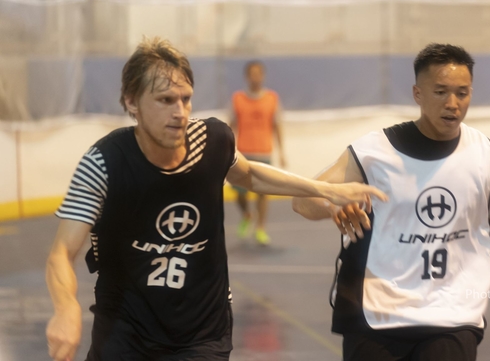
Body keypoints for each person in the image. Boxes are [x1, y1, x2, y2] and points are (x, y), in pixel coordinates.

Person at [45, 37, 386, 361]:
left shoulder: (211, 141)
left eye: (186, 99)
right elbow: (61, 252)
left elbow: (250, 174)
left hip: (202, 332)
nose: (180, 112)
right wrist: (65, 307)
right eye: (165, 100)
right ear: (131, 102)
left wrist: (325, 189)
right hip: (124, 330)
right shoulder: (104, 163)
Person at [292, 43, 490, 361]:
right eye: (440, 92)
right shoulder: (374, 152)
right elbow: (303, 201)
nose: (452, 104)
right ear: (418, 94)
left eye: (462, 93)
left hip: (452, 314)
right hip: (376, 312)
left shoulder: (488, 157)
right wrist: (334, 204)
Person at [229, 61, 285, 245]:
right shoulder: (237, 98)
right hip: (242, 152)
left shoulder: (272, 98)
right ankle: (247, 214)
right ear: (247, 77)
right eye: (252, 74)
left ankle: (260, 228)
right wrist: (227, 148)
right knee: (239, 193)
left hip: (263, 152)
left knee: (263, 192)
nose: (255, 77)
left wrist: (282, 152)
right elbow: (231, 125)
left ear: (263, 76)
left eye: (258, 73)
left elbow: (277, 125)